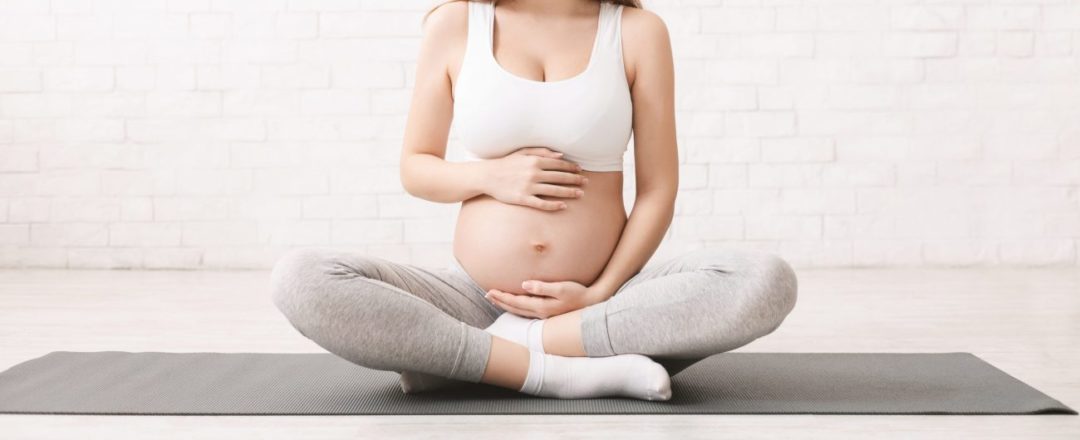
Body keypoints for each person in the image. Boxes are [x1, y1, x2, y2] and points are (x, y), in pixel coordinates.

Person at [270, 0, 798, 401]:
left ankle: (478, 359)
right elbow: (416, 166)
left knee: (763, 280)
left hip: (600, 302)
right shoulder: (456, 24)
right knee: (302, 278)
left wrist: (600, 294)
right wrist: (490, 177)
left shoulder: (637, 32)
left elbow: (658, 190)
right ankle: (556, 366)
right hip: (477, 301)